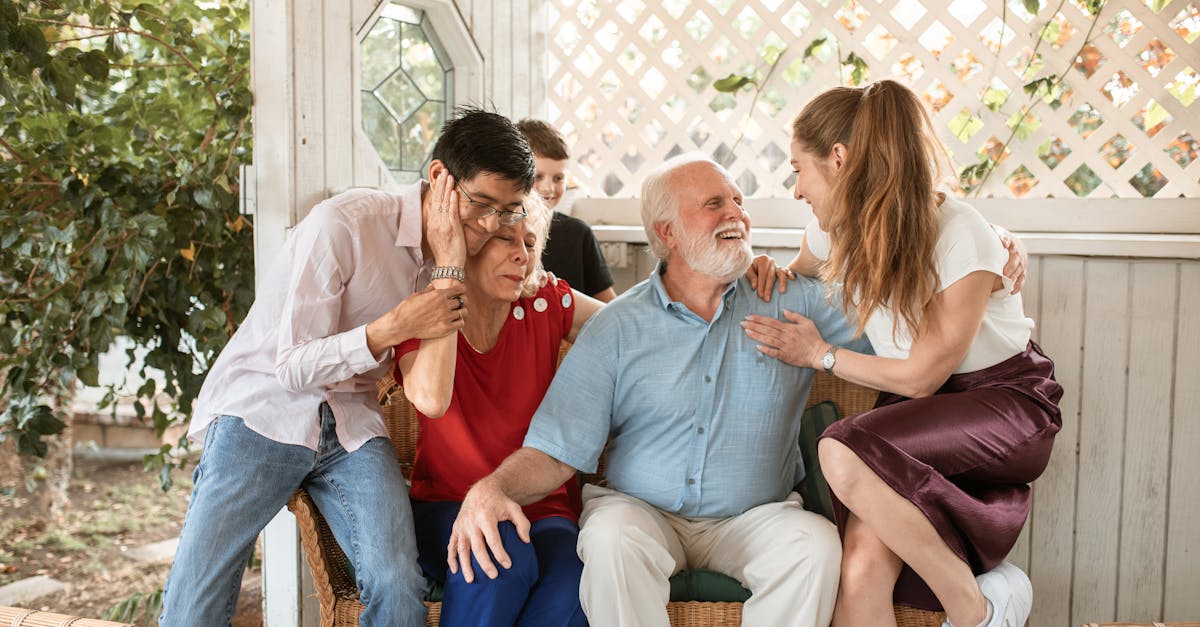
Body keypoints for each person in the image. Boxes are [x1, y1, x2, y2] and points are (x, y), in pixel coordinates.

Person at [446, 152, 878, 627]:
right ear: (667, 232)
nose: (736, 213)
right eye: (714, 203)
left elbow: (892, 332)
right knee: (609, 539)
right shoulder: (616, 328)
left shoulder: (790, 299)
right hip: (642, 514)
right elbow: (556, 449)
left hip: (756, 516)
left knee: (813, 546)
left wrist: (825, 349)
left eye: (738, 201)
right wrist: (493, 488)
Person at [158, 107, 535, 627]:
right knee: (195, 601)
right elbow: (290, 367)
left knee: (397, 587)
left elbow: (445, 382)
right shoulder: (346, 224)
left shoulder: (463, 257)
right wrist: (390, 328)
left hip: (352, 425)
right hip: (264, 409)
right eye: (481, 204)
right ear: (439, 177)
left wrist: (456, 266)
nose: (491, 225)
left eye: (508, 210)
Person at [742, 80, 1062, 627]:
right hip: (909, 422)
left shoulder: (961, 234)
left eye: (799, 169)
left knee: (839, 450)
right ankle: (987, 592)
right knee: (861, 568)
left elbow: (921, 378)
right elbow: (797, 271)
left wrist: (819, 354)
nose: (795, 190)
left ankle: (977, 609)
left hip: (1002, 409)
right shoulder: (833, 232)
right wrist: (766, 269)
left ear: (838, 159)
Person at [394, 178, 603, 626]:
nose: (521, 255)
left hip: (544, 507)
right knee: (499, 557)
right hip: (447, 505)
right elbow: (428, 398)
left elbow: (626, 327)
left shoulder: (547, 302)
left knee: (576, 587)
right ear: (469, 247)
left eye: (529, 243)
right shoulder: (426, 313)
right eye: (505, 240)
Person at [516, 118, 618, 302]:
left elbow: (608, 304)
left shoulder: (578, 234)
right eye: (537, 176)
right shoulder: (502, 233)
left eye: (558, 178)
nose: (548, 188)